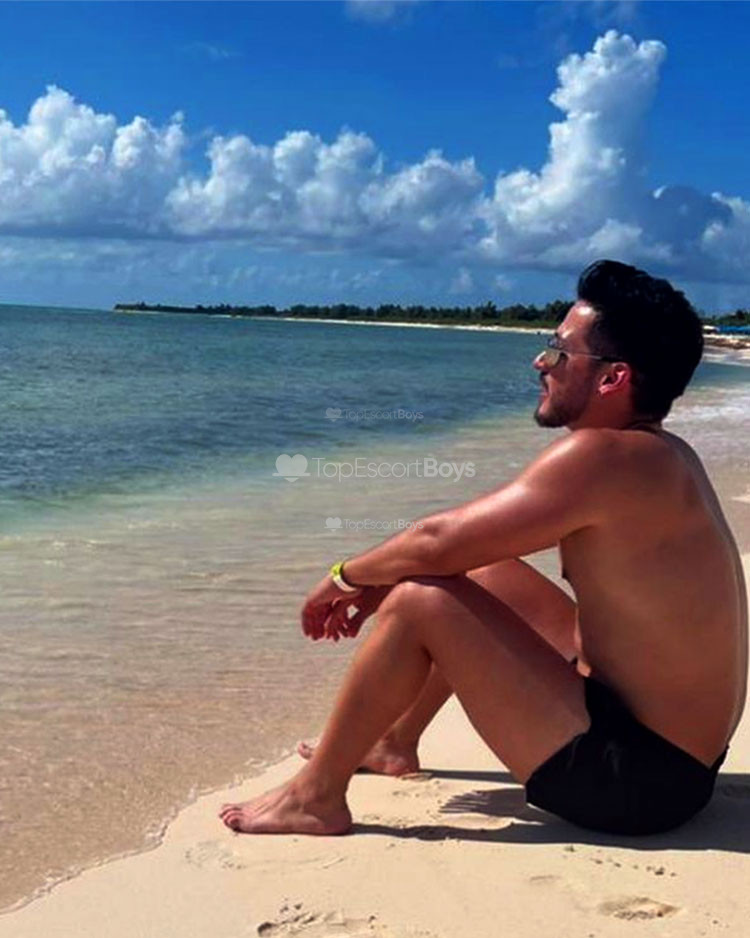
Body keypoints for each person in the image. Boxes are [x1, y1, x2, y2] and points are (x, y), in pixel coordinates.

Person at [220, 259, 747, 837]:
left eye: (559, 351)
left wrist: (349, 575)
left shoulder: (604, 456)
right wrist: (390, 570)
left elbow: (434, 540)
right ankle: (393, 741)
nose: (540, 362)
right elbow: (458, 548)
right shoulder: (664, 454)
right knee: (483, 570)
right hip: (675, 756)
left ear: (611, 378)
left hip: (640, 783)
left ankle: (315, 797)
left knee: (419, 599)